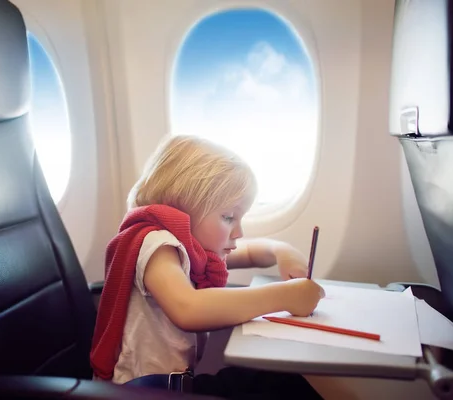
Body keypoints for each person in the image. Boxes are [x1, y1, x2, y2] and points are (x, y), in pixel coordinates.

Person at [90, 134, 325, 399]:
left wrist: (281, 251)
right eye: (228, 217)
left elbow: (247, 252)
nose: (238, 231)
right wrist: (283, 296)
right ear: (184, 205)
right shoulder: (156, 246)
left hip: (175, 384)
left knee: (276, 380)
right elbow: (188, 308)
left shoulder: (193, 249)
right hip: (144, 390)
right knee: (275, 386)